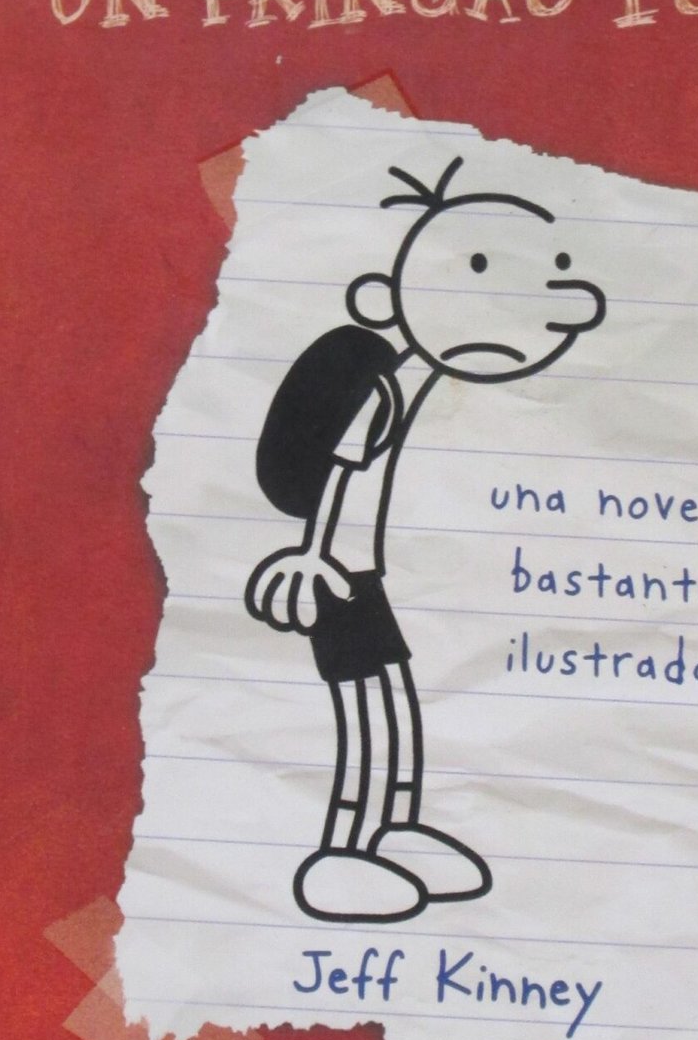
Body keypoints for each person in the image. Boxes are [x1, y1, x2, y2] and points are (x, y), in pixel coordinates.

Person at [246, 156, 607, 922]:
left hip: (366, 578)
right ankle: (346, 847)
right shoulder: (379, 391)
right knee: (367, 713)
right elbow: (339, 478)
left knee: (397, 705)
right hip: (338, 580)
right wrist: (311, 556)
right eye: (478, 269)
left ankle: (394, 829)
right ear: (386, 297)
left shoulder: (422, 386)